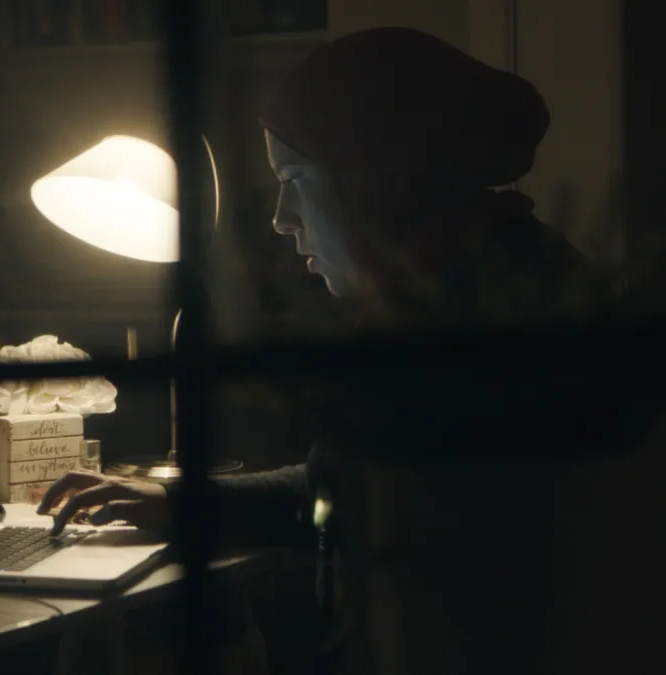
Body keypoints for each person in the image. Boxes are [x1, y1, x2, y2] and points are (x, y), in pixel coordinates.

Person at [37, 27, 618, 675]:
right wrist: (177, 500)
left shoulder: (481, 322)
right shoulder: (465, 282)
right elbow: (332, 486)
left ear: (378, 177)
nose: (282, 217)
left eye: (295, 178)